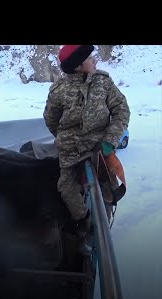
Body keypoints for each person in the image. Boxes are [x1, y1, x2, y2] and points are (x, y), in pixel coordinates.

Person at [43, 45, 130, 235]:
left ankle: (104, 229)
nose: (94, 61)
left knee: (109, 189)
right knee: (66, 188)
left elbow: (121, 111)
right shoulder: (58, 90)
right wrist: (64, 140)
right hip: (71, 149)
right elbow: (51, 119)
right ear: (78, 67)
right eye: (90, 59)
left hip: (100, 146)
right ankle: (84, 222)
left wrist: (110, 140)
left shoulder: (104, 82)